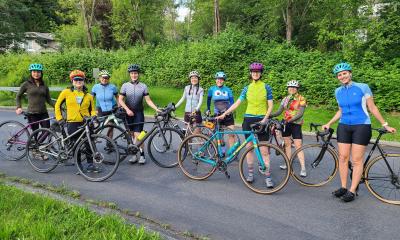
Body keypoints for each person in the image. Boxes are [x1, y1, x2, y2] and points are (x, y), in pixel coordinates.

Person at [322, 62, 396, 202]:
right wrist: (329, 123)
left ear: (350, 73)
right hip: (344, 126)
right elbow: (340, 111)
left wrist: (385, 124)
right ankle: (344, 187)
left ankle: (352, 190)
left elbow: (372, 108)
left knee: (356, 160)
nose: (342, 76)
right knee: (343, 158)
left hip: (361, 126)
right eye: (339, 75)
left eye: (344, 73)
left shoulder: (363, 87)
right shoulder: (338, 91)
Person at [217, 62, 274, 187]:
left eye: (258, 72)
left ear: (260, 73)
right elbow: (237, 103)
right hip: (248, 120)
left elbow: (270, 105)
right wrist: (225, 113)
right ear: (250, 73)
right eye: (253, 72)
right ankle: (250, 173)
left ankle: (268, 176)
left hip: (262, 120)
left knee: (264, 150)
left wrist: (265, 119)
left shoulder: (266, 87)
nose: (255, 73)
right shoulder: (247, 88)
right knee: (249, 148)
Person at [54, 70, 97, 170]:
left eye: (80, 79)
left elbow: (92, 110)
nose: (78, 81)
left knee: (88, 143)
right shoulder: (66, 92)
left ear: (83, 81)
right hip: (72, 122)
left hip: (86, 122)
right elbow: (57, 105)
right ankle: (78, 165)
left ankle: (90, 164)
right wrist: (59, 118)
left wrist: (94, 116)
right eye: (76, 79)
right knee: (75, 144)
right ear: (72, 81)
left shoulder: (89, 96)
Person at [118, 64, 160, 164]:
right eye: (132, 73)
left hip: (138, 113)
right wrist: (127, 110)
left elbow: (148, 100)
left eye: (135, 73)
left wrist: (156, 109)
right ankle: (133, 155)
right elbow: (120, 99)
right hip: (128, 113)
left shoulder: (143, 86)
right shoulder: (125, 86)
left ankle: (142, 155)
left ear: (138, 74)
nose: (134, 75)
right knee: (131, 135)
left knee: (138, 135)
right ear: (129, 74)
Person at [270, 80, 306, 176]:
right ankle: (288, 163)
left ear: (297, 89)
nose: (292, 89)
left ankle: (303, 168)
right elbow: (278, 112)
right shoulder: (285, 99)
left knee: (298, 145)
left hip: (296, 124)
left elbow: (300, 113)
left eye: (294, 87)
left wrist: (290, 120)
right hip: (286, 124)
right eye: (290, 87)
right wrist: (269, 115)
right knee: (287, 144)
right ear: (288, 88)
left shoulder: (301, 98)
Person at [16, 63, 54, 132]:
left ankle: (36, 142)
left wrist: (57, 106)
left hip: (43, 113)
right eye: (34, 72)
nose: (36, 74)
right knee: (35, 134)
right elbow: (18, 96)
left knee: (47, 132)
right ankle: (33, 142)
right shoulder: (26, 84)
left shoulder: (44, 85)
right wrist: (19, 107)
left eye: (38, 72)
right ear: (31, 73)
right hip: (32, 114)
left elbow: (49, 100)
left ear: (41, 73)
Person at [206, 71, 235, 152]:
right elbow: (208, 100)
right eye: (218, 79)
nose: (219, 81)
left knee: (231, 134)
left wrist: (231, 110)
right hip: (218, 114)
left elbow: (232, 102)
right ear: (215, 80)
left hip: (228, 114)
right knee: (219, 135)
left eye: (221, 79)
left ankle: (232, 152)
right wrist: (208, 109)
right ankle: (222, 148)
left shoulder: (228, 90)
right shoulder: (211, 89)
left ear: (224, 80)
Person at [91, 70, 119, 140]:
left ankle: (109, 142)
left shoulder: (113, 87)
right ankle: (93, 142)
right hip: (100, 109)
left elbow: (118, 97)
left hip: (111, 109)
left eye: (106, 78)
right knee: (97, 127)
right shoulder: (95, 87)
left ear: (108, 79)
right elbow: (90, 99)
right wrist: (92, 110)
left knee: (111, 126)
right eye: (103, 78)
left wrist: (119, 106)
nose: (104, 79)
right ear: (99, 78)